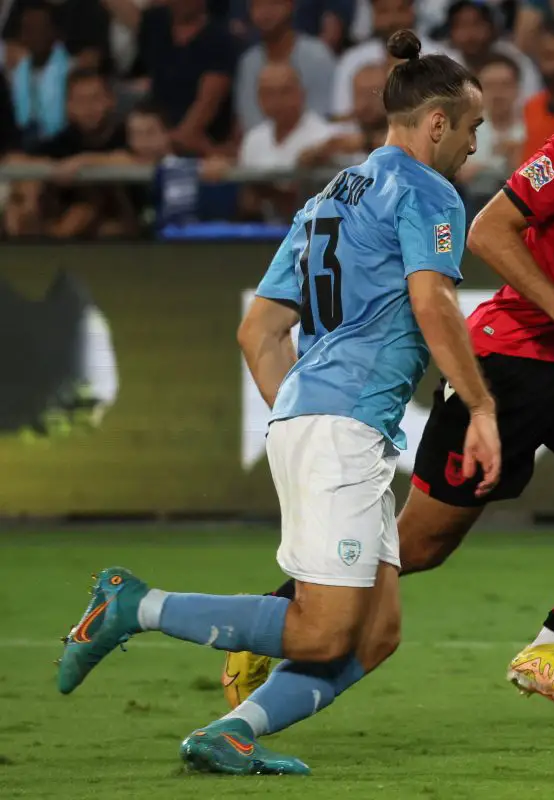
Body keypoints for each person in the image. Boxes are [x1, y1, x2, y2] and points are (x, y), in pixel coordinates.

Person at [222, 17, 554, 716]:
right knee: (420, 545)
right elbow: (491, 229)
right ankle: (271, 620)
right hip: (511, 355)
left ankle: (550, 647)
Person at [54, 30, 499, 776]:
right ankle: (134, 606)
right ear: (435, 124)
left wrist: (300, 412)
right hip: (341, 431)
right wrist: (479, 407)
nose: (474, 145)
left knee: (375, 633)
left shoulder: (328, 197)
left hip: (314, 420)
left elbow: (258, 331)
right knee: (324, 635)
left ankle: (231, 732)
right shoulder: (427, 191)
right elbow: (434, 305)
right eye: (472, 127)